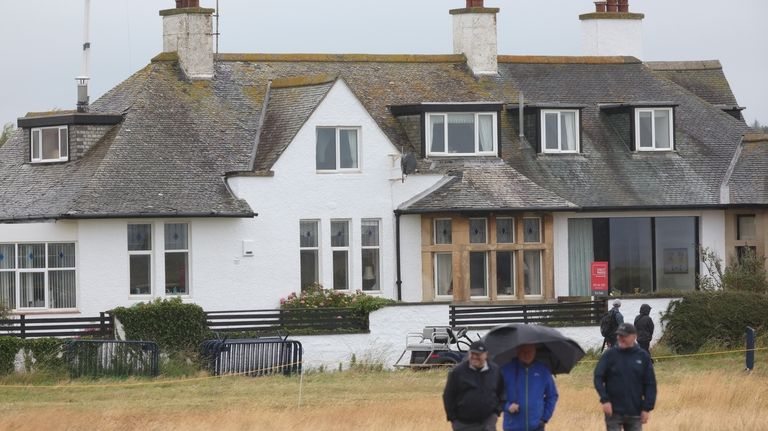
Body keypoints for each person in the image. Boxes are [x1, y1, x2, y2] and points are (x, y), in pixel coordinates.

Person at [594, 323, 657, 431]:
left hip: (635, 412)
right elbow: (598, 377)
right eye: (619, 335)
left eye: (624, 336)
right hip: (613, 411)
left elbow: (650, 384)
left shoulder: (643, 356)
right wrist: (605, 400)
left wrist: (647, 408)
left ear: (634, 337)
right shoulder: (609, 355)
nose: (620, 338)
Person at [443, 340, 505, 431]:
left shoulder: (495, 370)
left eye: (478, 354)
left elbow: (502, 392)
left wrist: (496, 412)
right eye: (472, 353)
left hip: (488, 423)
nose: (475, 357)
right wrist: (453, 419)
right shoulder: (458, 372)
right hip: (464, 424)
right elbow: (448, 395)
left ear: (485, 355)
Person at [501, 344, 558, 431]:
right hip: (512, 427)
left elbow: (552, 395)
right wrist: (507, 406)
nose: (527, 354)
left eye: (530, 351)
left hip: (537, 427)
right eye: (524, 351)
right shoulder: (506, 370)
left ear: (535, 351)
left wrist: (544, 418)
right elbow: (495, 396)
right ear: (518, 351)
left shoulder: (543, 370)